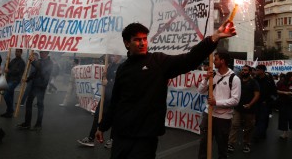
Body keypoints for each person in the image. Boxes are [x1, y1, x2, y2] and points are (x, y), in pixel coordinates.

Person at [95, 21, 236, 159]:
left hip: (145, 137)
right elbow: (115, 102)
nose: (142, 43)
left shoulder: (158, 61)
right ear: (127, 43)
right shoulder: (122, 68)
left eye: (144, 39)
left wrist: (214, 38)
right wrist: (102, 126)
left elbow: (189, 60)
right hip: (121, 134)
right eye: (137, 40)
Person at [197, 52, 241, 159]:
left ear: (223, 61)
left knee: (222, 147)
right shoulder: (213, 75)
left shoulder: (234, 79)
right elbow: (200, 90)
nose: (212, 62)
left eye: (215, 59)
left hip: (223, 118)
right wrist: (206, 78)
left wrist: (217, 103)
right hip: (209, 115)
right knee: (204, 145)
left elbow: (235, 100)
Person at [77, 54, 122, 149]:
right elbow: (105, 80)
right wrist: (104, 76)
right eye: (112, 55)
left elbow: (121, 83)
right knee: (97, 115)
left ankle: (112, 140)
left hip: (115, 98)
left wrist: (109, 83)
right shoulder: (110, 65)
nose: (112, 56)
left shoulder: (122, 66)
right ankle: (91, 138)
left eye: (114, 55)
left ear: (119, 56)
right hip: (105, 96)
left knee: (114, 119)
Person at [17, 51, 53, 131]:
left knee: (40, 104)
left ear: (47, 53)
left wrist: (33, 61)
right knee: (28, 102)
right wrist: (27, 79)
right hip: (34, 84)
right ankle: (27, 123)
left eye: (43, 53)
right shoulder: (39, 61)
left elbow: (42, 70)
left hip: (41, 86)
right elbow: (35, 73)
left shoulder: (50, 62)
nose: (41, 54)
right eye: (40, 52)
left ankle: (38, 124)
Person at [227, 65, 260, 154]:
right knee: (234, 125)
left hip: (249, 110)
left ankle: (246, 144)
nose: (243, 71)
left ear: (249, 72)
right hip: (238, 108)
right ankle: (231, 144)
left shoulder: (253, 82)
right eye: (242, 70)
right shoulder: (238, 81)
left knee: (248, 128)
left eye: (245, 70)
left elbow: (257, 95)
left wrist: (250, 104)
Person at [253, 64, 277, 142]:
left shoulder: (269, 81)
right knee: (257, 119)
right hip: (255, 103)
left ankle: (258, 135)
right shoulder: (254, 79)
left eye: (257, 70)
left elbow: (274, 93)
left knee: (263, 119)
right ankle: (261, 132)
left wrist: (268, 102)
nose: (256, 71)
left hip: (265, 104)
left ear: (262, 71)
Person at [0, 49, 26, 118]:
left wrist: (8, 71)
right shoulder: (13, 60)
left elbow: (18, 72)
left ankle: (10, 109)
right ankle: (9, 112)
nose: (16, 53)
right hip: (9, 79)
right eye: (16, 51)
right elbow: (7, 67)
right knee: (10, 95)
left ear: (21, 53)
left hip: (15, 80)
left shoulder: (22, 62)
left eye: (18, 52)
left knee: (5, 94)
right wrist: (7, 61)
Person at [276, 71, 292, 139]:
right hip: (283, 102)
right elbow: (275, 90)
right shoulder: (281, 83)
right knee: (283, 118)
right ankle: (285, 133)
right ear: (288, 76)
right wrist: (285, 93)